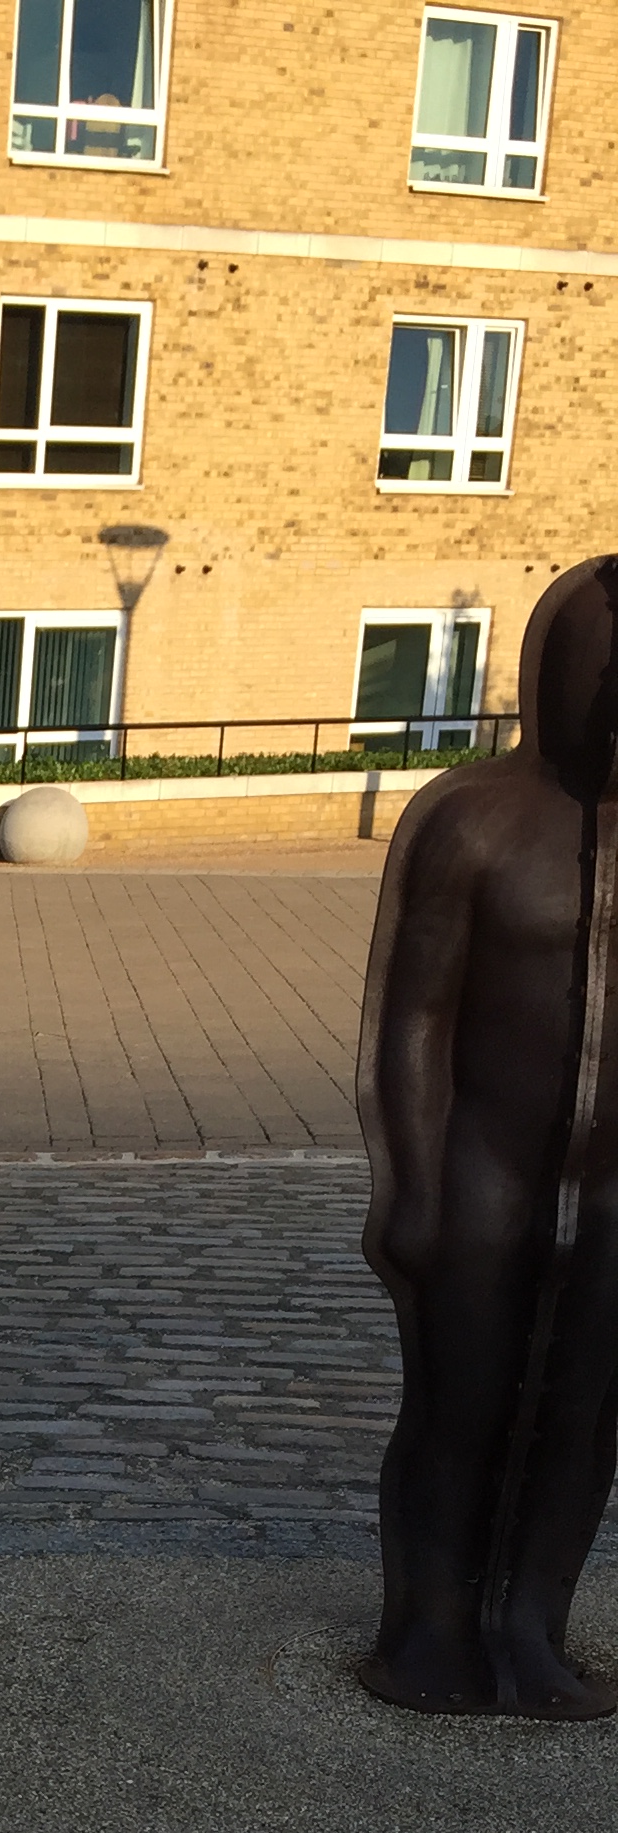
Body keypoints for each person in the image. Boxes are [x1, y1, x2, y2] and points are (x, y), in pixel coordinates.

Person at [360, 556, 618, 1716]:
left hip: (614, 1190)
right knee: (462, 1404)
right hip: (485, 1169)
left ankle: (532, 1626)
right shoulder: (476, 823)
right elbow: (410, 1020)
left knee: (583, 1413)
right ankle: (431, 1628)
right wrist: (410, 1183)